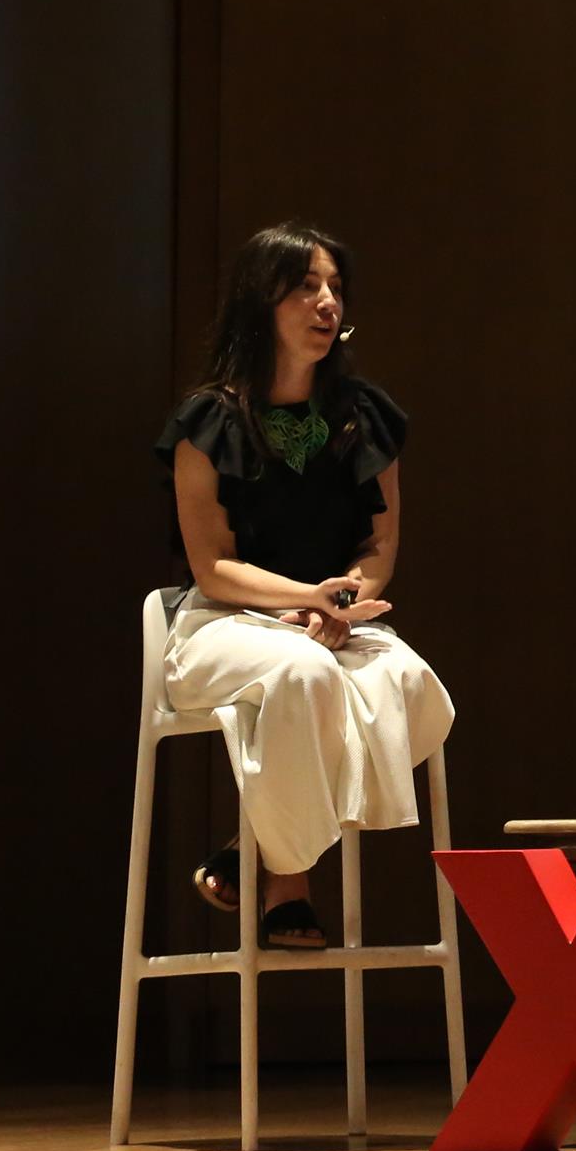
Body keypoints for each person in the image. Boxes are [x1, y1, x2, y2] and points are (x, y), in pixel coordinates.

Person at [154, 223, 452, 950]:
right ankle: (290, 883)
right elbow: (212, 566)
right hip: (223, 623)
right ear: (262, 301)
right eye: (306, 287)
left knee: (414, 687)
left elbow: (379, 547)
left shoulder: (364, 415)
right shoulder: (209, 420)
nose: (327, 303)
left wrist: (340, 603)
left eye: (335, 288)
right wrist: (303, 599)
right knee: (304, 674)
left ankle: (249, 849)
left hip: (330, 622)